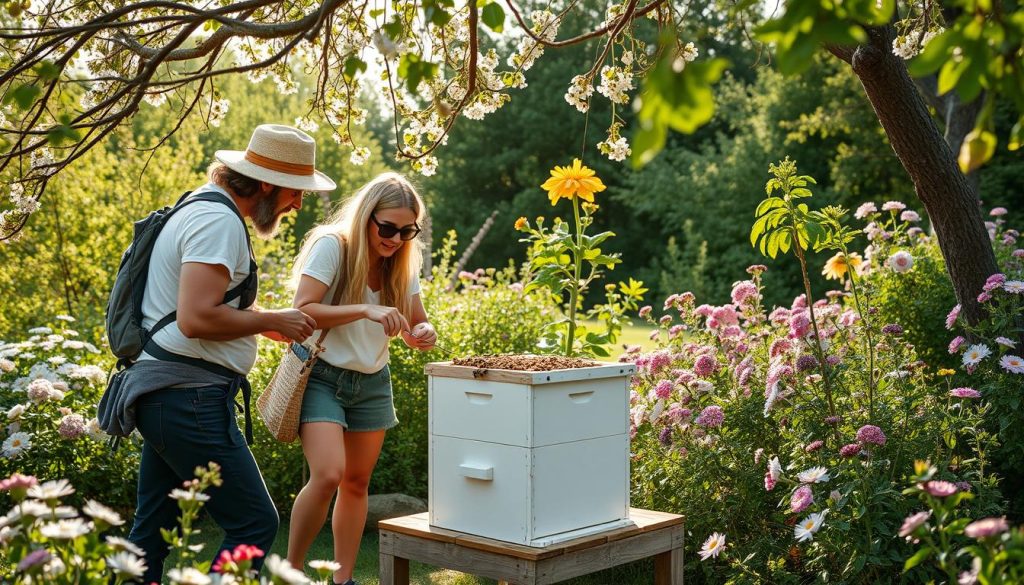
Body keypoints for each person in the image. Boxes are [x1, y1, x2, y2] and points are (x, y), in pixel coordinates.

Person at [124, 124, 335, 583]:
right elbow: (196, 318)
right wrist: (272, 320)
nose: (298, 204)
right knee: (255, 522)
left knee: (150, 534)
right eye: (295, 191)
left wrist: (266, 320)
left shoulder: (199, 207)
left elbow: (207, 305)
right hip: (187, 398)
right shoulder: (219, 222)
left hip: (165, 394)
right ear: (266, 184)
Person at [285, 172, 436, 584]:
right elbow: (304, 310)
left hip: (371, 380)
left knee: (356, 482)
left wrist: (422, 333)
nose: (395, 239)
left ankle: (343, 579)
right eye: (387, 228)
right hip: (321, 376)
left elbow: (414, 325)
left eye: (407, 231)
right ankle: (289, 573)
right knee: (329, 473)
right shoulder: (332, 245)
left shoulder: (403, 260)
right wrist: (365, 309)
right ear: (367, 216)